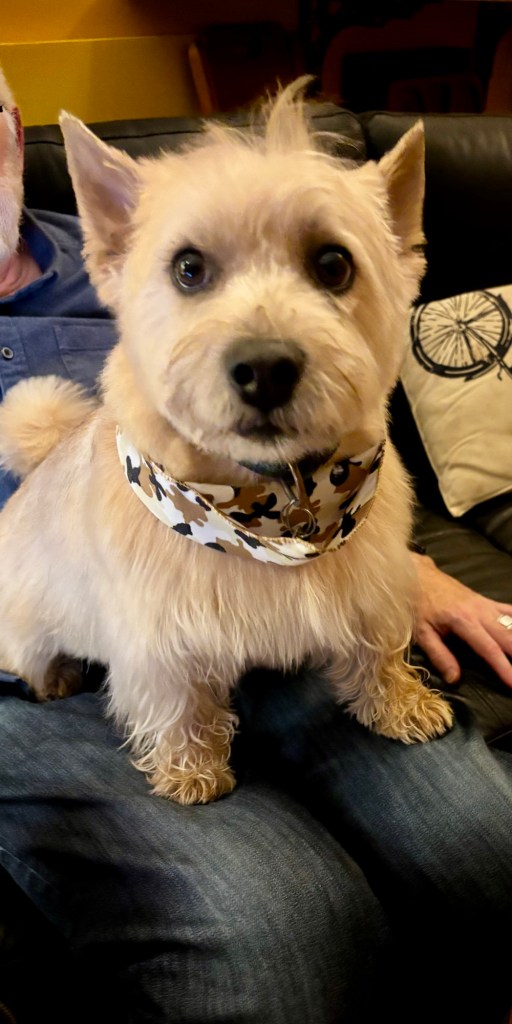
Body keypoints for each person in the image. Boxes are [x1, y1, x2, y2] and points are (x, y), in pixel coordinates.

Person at [0, 69, 511, 1024]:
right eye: (194, 273)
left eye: (329, 266)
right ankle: (183, 744)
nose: (265, 340)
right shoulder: (143, 233)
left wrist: (401, 570)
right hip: (49, 617)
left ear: (14, 132)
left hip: (304, 541)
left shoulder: (129, 223)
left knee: (486, 846)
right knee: (276, 928)